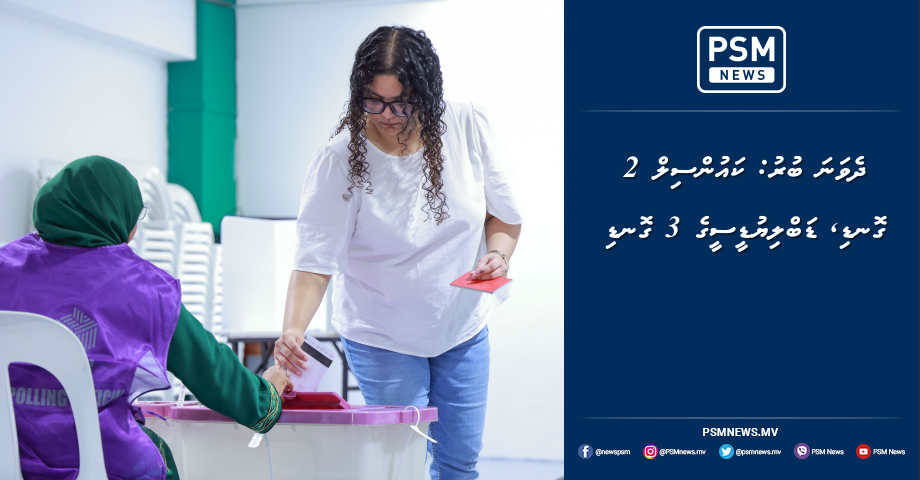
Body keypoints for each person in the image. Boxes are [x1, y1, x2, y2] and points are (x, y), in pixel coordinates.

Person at [272, 26, 523, 480]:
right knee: (402, 461)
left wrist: (499, 256)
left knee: (460, 461)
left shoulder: (467, 126)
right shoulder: (340, 159)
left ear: (427, 93)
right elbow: (313, 262)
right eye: (374, 101)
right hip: (382, 333)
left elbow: (504, 218)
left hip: (461, 325)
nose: (387, 115)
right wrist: (293, 330)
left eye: (402, 103)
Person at [0, 155, 293, 480]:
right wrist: (267, 393)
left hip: (12, 461)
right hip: (106, 465)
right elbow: (212, 369)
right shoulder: (144, 287)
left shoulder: (5, 266)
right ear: (116, 216)